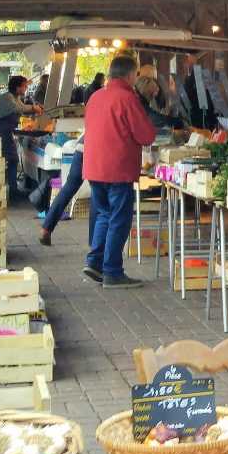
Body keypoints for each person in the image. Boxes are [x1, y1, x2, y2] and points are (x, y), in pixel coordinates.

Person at [81, 55, 156, 289]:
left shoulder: (95, 97)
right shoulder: (127, 98)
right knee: (119, 219)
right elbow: (146, 135)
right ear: (130, 75)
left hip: (94, 167)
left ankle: (94, 262)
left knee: (104, 215)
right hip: (118, 168)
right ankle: (112, 271)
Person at [0, 75, 41, 193]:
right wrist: (33, 108)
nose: (26, 88)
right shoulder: (7, 97)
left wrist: (34, 108)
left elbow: (22, 106)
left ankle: (12, 188)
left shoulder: (14, 97)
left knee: (12, 160)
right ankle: (12, 190)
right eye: (24, 86)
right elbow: (18, 108)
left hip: (6, 132)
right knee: (12, 160)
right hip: (0, 133)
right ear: (17, 88)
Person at [39, 134, 86, 246]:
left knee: (69, 187)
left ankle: (46, 228)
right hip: (98, 148)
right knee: (99, 192)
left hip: (82, 147)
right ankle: (96, 246)